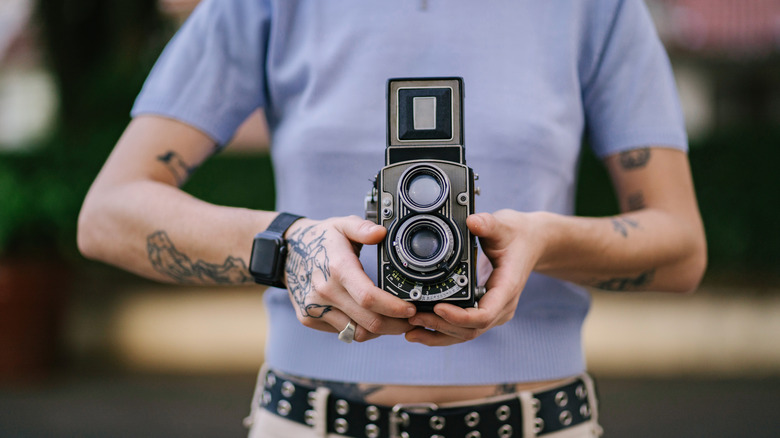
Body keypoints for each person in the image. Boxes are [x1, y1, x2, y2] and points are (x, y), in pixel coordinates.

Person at [77, 0, 707, 436]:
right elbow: (108, 213)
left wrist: (543, 241)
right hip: (312, 420)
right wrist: (290, 245)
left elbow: (680, 247)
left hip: (537, 420)